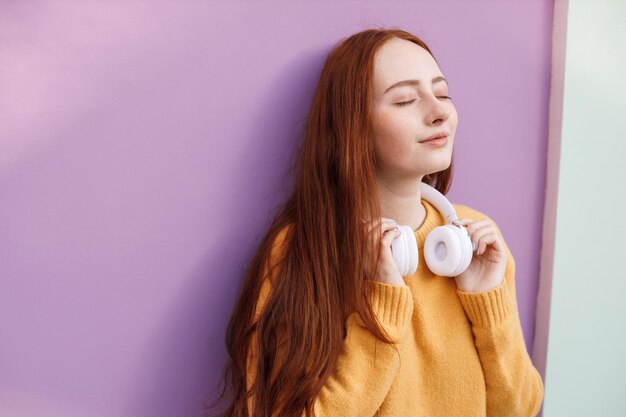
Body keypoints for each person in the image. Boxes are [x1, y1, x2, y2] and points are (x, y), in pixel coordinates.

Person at [210, 28, 544, 417]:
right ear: (355, 126)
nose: (437, 111)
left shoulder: (473, 241)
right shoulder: (304, 250)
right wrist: (379, 315)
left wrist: (491, 305)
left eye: (442, 92)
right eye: (405, 99)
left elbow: (519, 408)